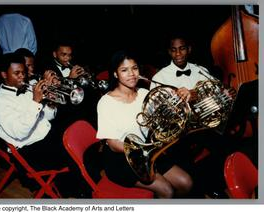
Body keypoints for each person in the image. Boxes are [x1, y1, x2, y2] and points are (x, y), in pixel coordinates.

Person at [96, 50, 193, 198]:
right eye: (124, 70)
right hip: (121, 159)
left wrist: (177, 101)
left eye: (134, 68)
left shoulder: (143, 93)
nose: (131, 74)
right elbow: (113, 143)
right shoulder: (106, 102)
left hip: (149, 151)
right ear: (115, 74)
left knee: (186, 183)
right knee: (166, 190)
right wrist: (143, 149)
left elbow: (158, 123)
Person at [150, 33, 235, 197]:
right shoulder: (159, 77)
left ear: (189, 49)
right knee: (185, 158)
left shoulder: (200, 70)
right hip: (181, 132)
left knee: (224, 143)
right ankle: (196, 193)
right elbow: (157, 113)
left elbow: (216, 91)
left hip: (206, 125)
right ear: (169, 52)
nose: (178, 54)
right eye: (174, 50)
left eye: (182, 49)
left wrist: (225, 92)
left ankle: (217, 184)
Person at [0, 52, 78, 195]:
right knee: (75, 149)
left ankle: (73, 184)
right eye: (17, 73)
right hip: (30, 151)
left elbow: (48, 117)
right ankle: (77, 189)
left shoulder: (25, 89)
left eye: (23, 72)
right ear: (4, 75)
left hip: (46, 135)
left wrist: (50, 102)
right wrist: (35, 102)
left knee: (76, 128)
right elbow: (20, 132)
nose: (22, 76)